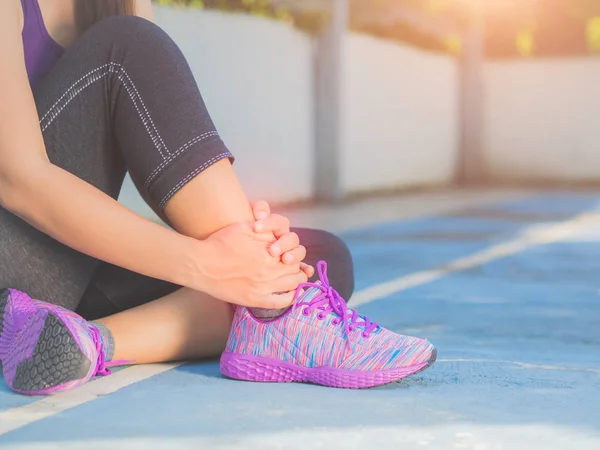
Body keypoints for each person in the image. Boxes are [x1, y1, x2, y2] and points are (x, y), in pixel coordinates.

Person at [0, 0, 436, 396]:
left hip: (43, 289)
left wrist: (248, 245)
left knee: (317, 258)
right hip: (12, 255)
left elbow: (163, 143)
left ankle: (81, 343)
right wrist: (213, 263)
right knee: (127, 45)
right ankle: (275, 316)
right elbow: (18, 178)